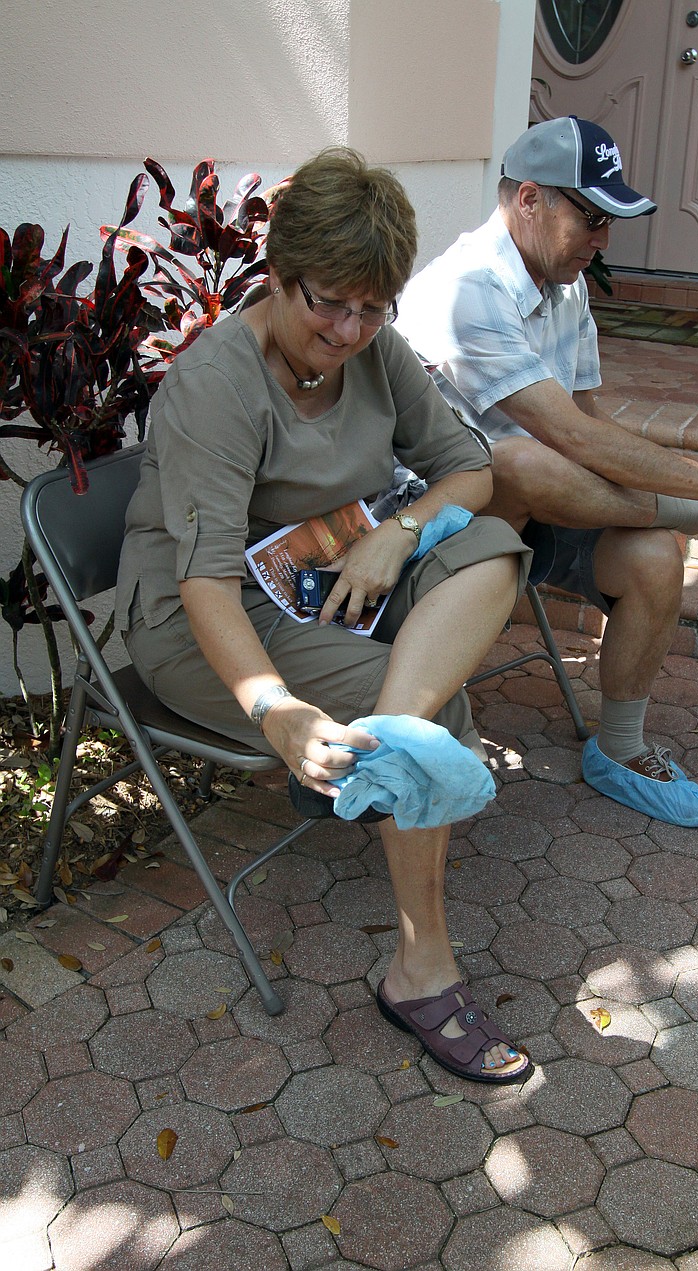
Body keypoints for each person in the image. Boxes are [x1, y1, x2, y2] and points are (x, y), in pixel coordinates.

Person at [115, 148, 534, 1084]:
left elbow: (473, 471)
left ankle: (380, 740)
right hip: (200, 620)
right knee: (440, 723)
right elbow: (206, 586)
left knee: (491, 546)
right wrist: (276, 710)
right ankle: (420, 972)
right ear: (279, 275)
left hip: (331, 580)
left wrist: (401, 533)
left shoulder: (375, 348)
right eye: (328, 303)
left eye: (371, 307)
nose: (349, 330)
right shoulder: (216, 385)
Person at [396, 115, 698, 829]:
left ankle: (620, 750)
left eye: (609, 221)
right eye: (592, 217)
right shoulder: (470, 287)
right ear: (528, 199)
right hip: (438, 528)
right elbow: (563, 437)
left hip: (542, 505)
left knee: (654, 556)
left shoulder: (565, 284)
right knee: (514, 455)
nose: (604, 240)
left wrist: (697, 475)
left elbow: (593, 425)